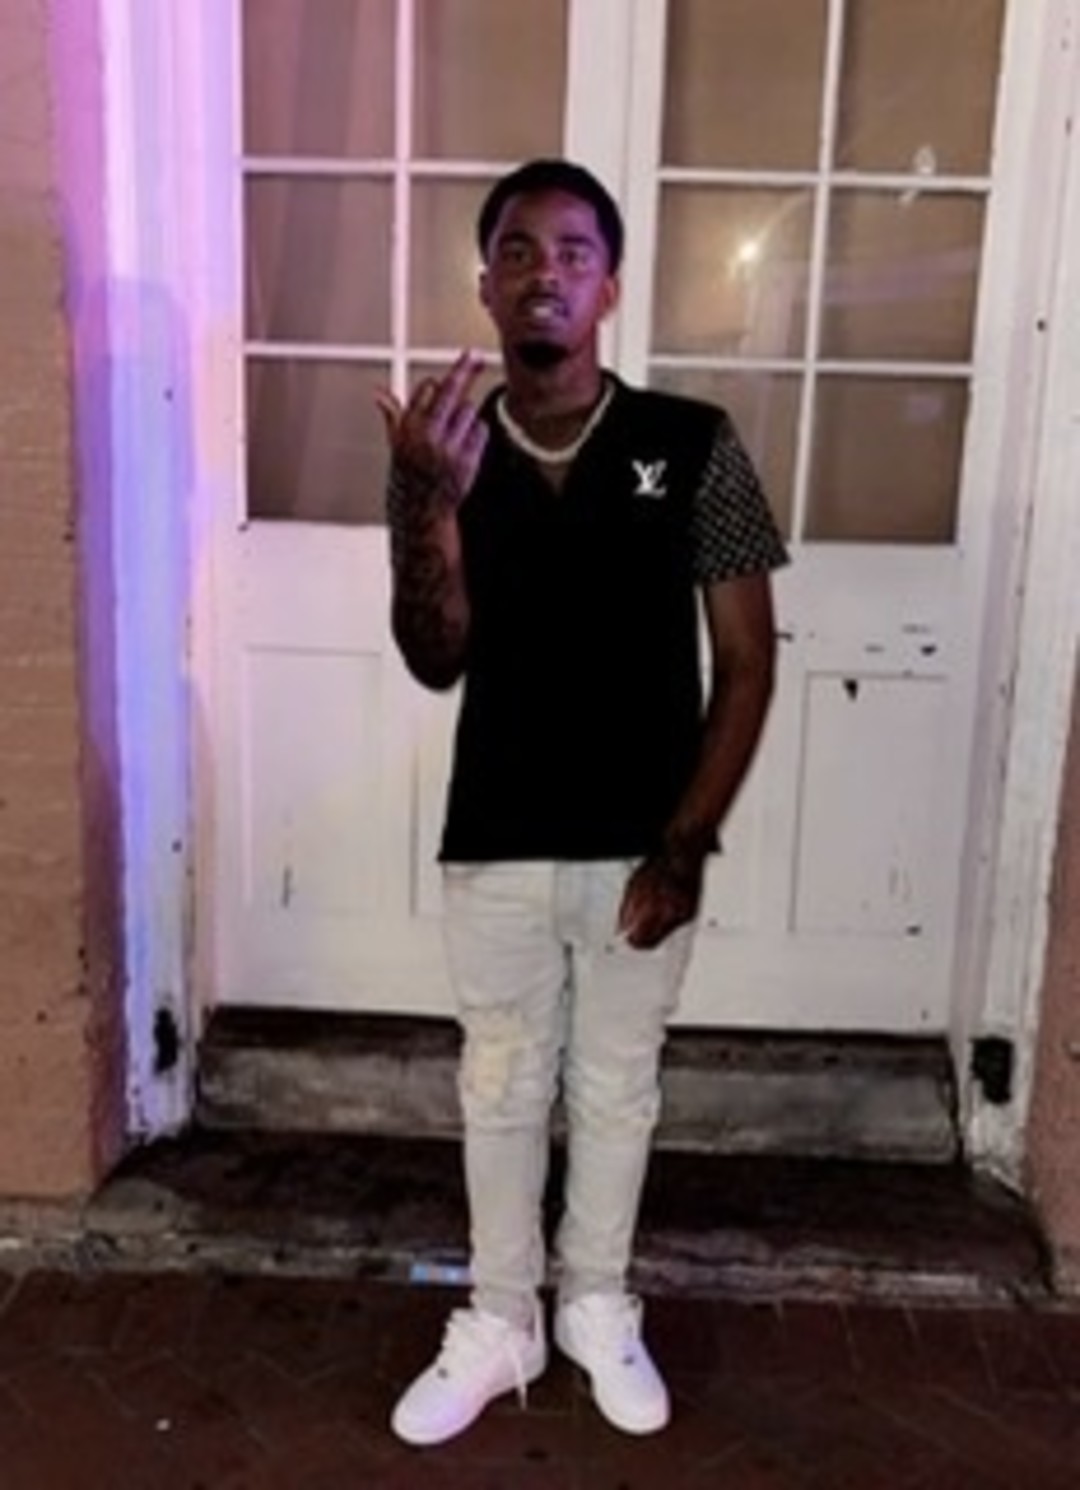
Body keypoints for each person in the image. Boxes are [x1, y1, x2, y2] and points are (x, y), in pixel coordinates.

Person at [378, 159, 788, 1447]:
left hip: (640, 843)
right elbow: (435, 655)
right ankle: (503, 1317)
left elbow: (750, 661)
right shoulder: (443, 450)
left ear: (609, 287)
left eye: (572, 251)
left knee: (617, 1089)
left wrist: (684, 847)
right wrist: (421, 505)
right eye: (516, 249)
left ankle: (598, 1306)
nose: (542, 271)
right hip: (497, 833)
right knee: (499, 1087)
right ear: (485, 284)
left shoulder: (693, 443)